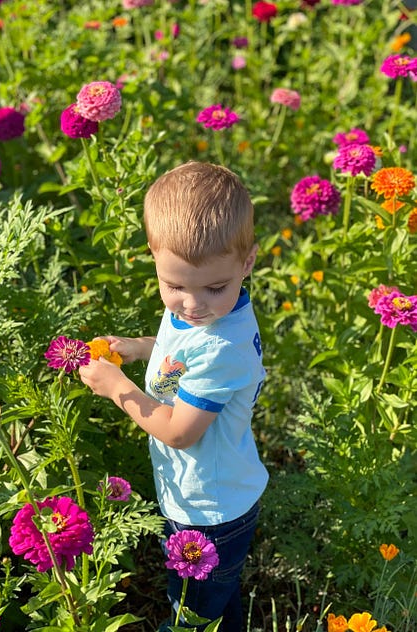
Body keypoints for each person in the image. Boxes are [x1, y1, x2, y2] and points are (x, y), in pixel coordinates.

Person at [79, 161, 269, 631]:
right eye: (175, 285)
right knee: (217, 603)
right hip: (202, 497)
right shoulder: (199, 313)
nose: (192, 304)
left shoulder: (223, 346)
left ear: (248, 262)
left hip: (211, 511)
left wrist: (117, 388)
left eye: (214, 287)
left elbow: (179, 432)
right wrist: (140, 348)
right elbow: (177, 348)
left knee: (191, 610)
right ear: (155, 257)